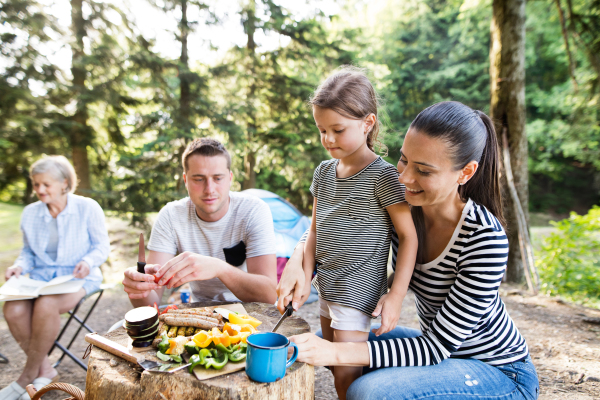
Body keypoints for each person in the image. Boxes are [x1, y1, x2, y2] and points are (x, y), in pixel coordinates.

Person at [279, 101, 539, 400]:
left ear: (465, 172)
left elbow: (435, 347)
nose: (404, 178)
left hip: (495, 370)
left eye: (424, 171)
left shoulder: (483, 238)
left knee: (367, 390)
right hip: (443, 353)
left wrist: (336, 353)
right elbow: (334, 226)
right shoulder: (408, 211)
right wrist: (298, 256)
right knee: (321, 340)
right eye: (404, 161)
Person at [293, 67, 418, 400]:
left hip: (357, 294)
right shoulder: (323, 172)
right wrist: (305, 276)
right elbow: (314, 229)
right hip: (327, 288)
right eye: (322, 130)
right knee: (335, 368)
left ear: (368, 123)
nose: (329, 139)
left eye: (338, 129)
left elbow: (409, 237)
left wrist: (395, 296)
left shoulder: (383, 176)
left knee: (346, 378)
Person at [122, 138, 277, 308]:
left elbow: (268, 296)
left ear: (230, 178)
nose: (209, 189)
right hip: (200, 314)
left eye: (218, 178)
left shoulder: (253, 210)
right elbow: (150, 303)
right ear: (185, 180)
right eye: (198, 179)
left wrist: (220, 268)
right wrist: (137, 288)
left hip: (252, 316)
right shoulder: (170, 216)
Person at [1, 156, 109, 400]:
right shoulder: (30, 213)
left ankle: (26, 377)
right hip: (40, 278)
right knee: (13, 309)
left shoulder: (87, 207)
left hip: (78, 276)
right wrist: (19, 266)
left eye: (45, 184)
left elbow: (102, 247)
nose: (39, 190)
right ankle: (45, 370)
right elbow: (28, 252)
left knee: (46, 305)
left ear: (64, 183)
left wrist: (88, 262)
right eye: (35, 184)